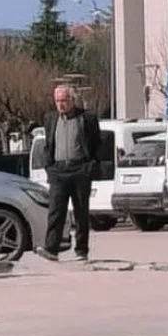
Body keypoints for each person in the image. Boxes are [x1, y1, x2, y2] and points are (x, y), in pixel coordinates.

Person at [36, 85, 102, 262]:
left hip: (80, 169)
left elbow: (97, 142)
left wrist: (90, 165)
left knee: (81, 212)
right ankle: (52, 249)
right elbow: (49, 144)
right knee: (56, 211)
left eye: (64, 100)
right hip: (58, 171)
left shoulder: (86, 118)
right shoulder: (50, 118)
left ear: (72, 100)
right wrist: (49, 166)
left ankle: (81, 250)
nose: (60, 104)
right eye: (57, 101)